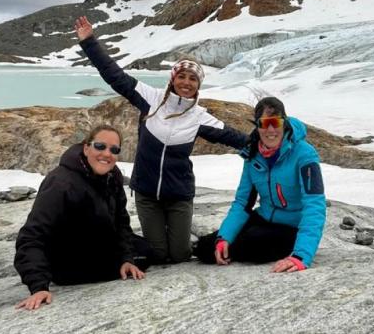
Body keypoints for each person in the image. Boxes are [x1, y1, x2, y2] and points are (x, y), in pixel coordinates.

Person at [74, 16, 247, 264]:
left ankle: (212, 243)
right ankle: (119, 244)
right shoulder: (150, 98)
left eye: (192, 79)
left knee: (179, 255)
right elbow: (114, 75)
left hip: (179, 196)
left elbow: (234, 137)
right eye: (182, 76)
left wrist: (272, 143)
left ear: (198, 85)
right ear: (173, 79)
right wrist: (89, 42)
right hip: (146, 194)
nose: (186, 83)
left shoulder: (199, 117)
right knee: (157, 254)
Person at [14, 124, 153, 311]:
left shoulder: (113, 176)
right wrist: (38, 286)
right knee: (146, 255)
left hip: (98, 246)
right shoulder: (61, 183)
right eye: (100, 146)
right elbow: (32, 236)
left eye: (114, 149)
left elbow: (121, 221)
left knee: (146, 250)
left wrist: (127, 258)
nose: (107, 154)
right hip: (70, 264)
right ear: (86, 147)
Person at [196, 97, 326, 272]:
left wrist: (301, 255)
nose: (271, 130)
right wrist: (224, 238)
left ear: (284, 123)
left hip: (292, 226)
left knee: (254, 244)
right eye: (265, 123)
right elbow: (243, 203)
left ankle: (258, 248)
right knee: (205, 248)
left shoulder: (304, 154)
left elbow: (314, 206)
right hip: (264, 218)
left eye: (276, 122)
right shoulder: (252, 153)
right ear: (257, 125)